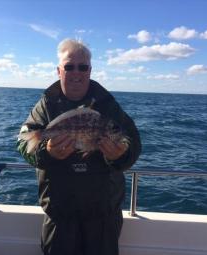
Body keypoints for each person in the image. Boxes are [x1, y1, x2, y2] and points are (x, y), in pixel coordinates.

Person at [17, 38, 141, 255]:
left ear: (90, 70)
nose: (76, 73)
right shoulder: (46, 105)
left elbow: (133, 143)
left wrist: (120, 154)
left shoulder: (108, 105)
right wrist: (46, 152)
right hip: (60, 218)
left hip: (103, 219)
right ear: (59, 71)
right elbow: (23, 144)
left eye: (82, 67)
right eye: (69, 66)